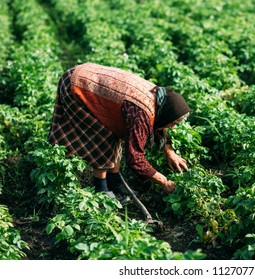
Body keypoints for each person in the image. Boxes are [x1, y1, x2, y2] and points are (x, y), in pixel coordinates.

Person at [48, 62, 190, 204]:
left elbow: (162, 122)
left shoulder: (160, 98)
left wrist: (169, 150)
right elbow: (135, 158)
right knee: (104, 136)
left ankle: (114, 181)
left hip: (88, 76)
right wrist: (163, 181)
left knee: (116, 132)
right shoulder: (142, 114)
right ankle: (101, 190)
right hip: (77, 85)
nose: (171, 127)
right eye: (172, 124)